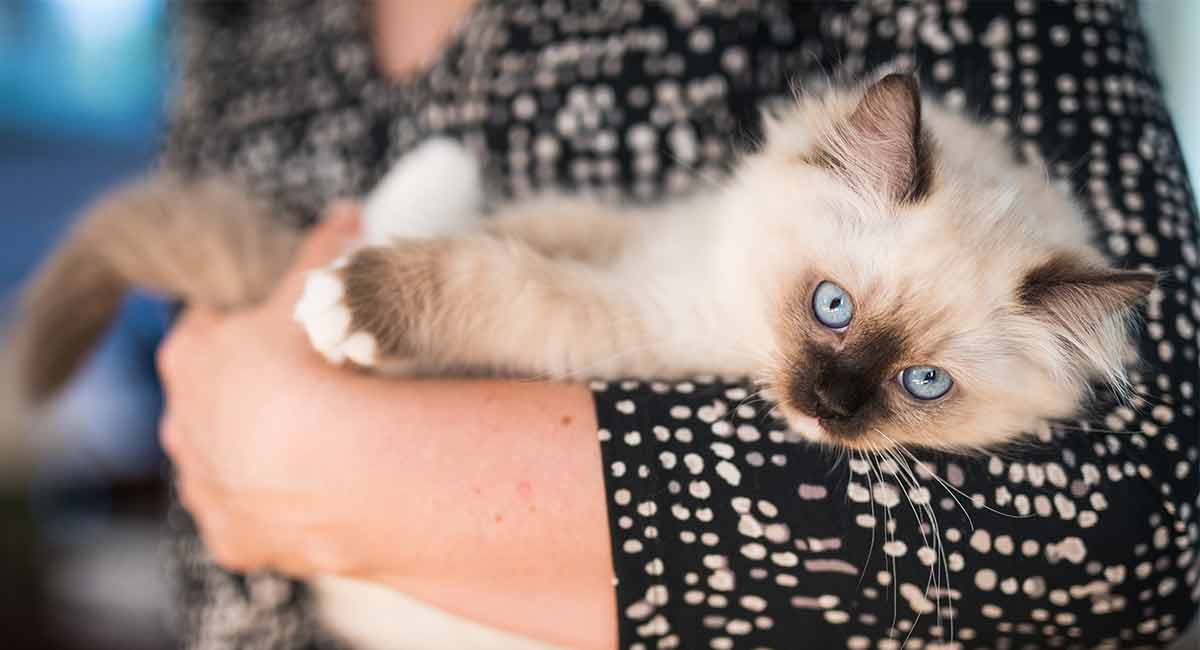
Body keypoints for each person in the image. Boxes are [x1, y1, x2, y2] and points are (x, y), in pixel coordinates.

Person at [158, 1, 1200, 648]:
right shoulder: (236, 23)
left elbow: (1150, 507)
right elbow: (209, 501)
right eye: (829, 313)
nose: (833, 396)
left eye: (921, 382)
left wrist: (312, 453)